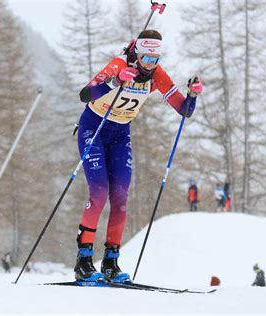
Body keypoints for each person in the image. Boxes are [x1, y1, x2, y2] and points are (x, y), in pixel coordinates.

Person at [74, 29, 203, 283]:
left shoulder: (156, 74)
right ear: (137, 53)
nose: (151, 65)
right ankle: (84, 260)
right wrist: (114, 81)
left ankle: (111, 262)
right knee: (99, 192)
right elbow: (85, 94)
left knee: (120, 197)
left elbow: (184, 110)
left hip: (120, 134)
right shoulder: (119, 64)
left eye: (156, 60)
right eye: (147, 59)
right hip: (94, 128)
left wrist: (193, 95)